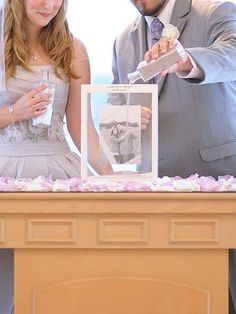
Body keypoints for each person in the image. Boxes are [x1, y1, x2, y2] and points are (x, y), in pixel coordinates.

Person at [111, 0, 236, 313]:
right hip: (156, 204)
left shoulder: (215, 10)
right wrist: (123, 120)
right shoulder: (122, 40)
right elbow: (116, 114)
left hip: (219, 186)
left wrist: (185, 59)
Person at [0, 0, 112, 312]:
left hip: (60, 178)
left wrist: (118, 179)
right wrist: (13, 113)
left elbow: (82, 129)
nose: (49, 4)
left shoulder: (73, 48)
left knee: (60, 286)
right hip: (6, 175)